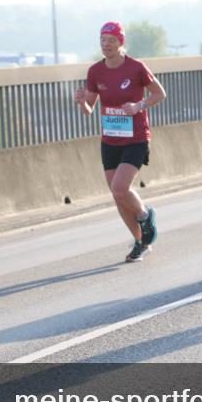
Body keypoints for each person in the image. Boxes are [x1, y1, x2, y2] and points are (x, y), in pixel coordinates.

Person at [74, 21, 167, 262]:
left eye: (111, 41)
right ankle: (140, 242)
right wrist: (81, 101)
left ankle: (145, 215)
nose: (106, 45)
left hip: (136, 137)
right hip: (110, 140)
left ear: (121, 42)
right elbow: (89, 110)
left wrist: (139, 105)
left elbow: (159, 94)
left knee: (120, 188)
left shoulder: (136, 67)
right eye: (102, 41)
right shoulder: (95, 71)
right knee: (117, 196)